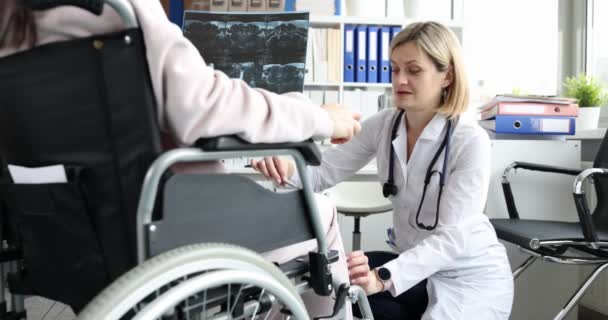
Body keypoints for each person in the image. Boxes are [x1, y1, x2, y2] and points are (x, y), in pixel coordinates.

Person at [0, 0, 360, 318]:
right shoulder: (116, 9)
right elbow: (205, 105)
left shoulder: (9, 22)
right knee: (321, 210)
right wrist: (317, 118)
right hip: (167, 238)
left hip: (64, 239)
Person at [252, 21, 514, 320]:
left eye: (413, 70)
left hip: (468, 277)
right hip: (414, 269)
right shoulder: (385, 124)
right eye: (394, 69)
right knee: (333, 292)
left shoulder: (470, 140)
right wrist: (286, 165)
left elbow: (452, 239)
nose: (400, 80)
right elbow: (322, 173)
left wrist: (381, 277)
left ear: (447, 76)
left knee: (359, 299)